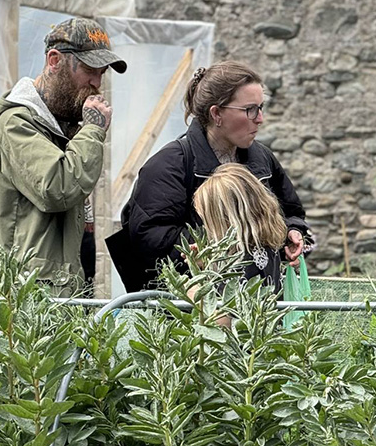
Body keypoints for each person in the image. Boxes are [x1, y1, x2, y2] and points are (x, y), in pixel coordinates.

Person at [117, 61, 310, 289]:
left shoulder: (263, 159)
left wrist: (293, 233)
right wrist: (210, 251)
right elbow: (149, 238)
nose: (260, 118)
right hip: (191, 310)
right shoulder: (169, 165)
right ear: (216, 113)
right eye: (250, 109)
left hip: (261, 304)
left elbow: (292, 212)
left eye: (261, 107)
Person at [0, 17, 125, 295]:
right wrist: (93, 130)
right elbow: (57, 188)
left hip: (58, 292)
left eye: (102, 73)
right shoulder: (16, 123)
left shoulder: (65, 124)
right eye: (89, 69)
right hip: (22, 299)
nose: (97, 83)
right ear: (55, 60)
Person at [190, 163, 288, 295]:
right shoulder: (265, 248)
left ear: (225, 220)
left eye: (208, 219)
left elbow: (226, 313)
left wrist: (193, 293)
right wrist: (207, 262)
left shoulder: (241, 265)